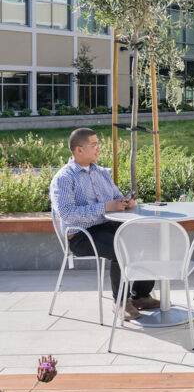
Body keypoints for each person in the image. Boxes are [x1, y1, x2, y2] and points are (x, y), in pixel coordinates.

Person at [49, 128, 158, 321]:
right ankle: (121, 303)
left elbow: (116, 198)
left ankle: (140, 295)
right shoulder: (64, 179)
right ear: (78, 150)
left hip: (106, 225)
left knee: (149, 238)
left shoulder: (101, 173)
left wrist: (126, 202)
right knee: (121, 247)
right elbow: (67, 214)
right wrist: (105, 208)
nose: (99, 148)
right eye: (94, 145)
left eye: (98, 143)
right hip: (81, 234)